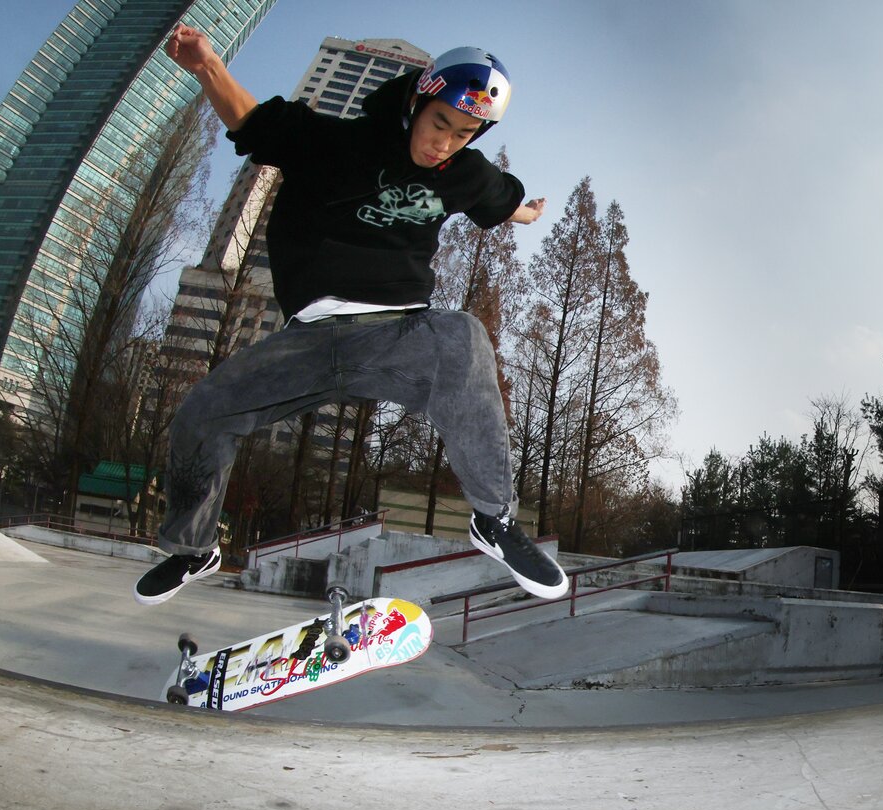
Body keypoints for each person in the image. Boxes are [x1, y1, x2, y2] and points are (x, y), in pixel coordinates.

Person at [135, 24, 567, 605]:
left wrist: (529, 213)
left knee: (463, 335)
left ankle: (494, 518)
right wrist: (207, 64)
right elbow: (251, 122)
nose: (444, 144)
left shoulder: (466, 172)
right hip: (307, 340)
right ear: (416, 102)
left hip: (396, 334)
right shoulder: (336, 143)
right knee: (203, 413)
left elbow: (502, 202)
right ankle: (193, 548)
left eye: (462, 134)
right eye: (439, 123)